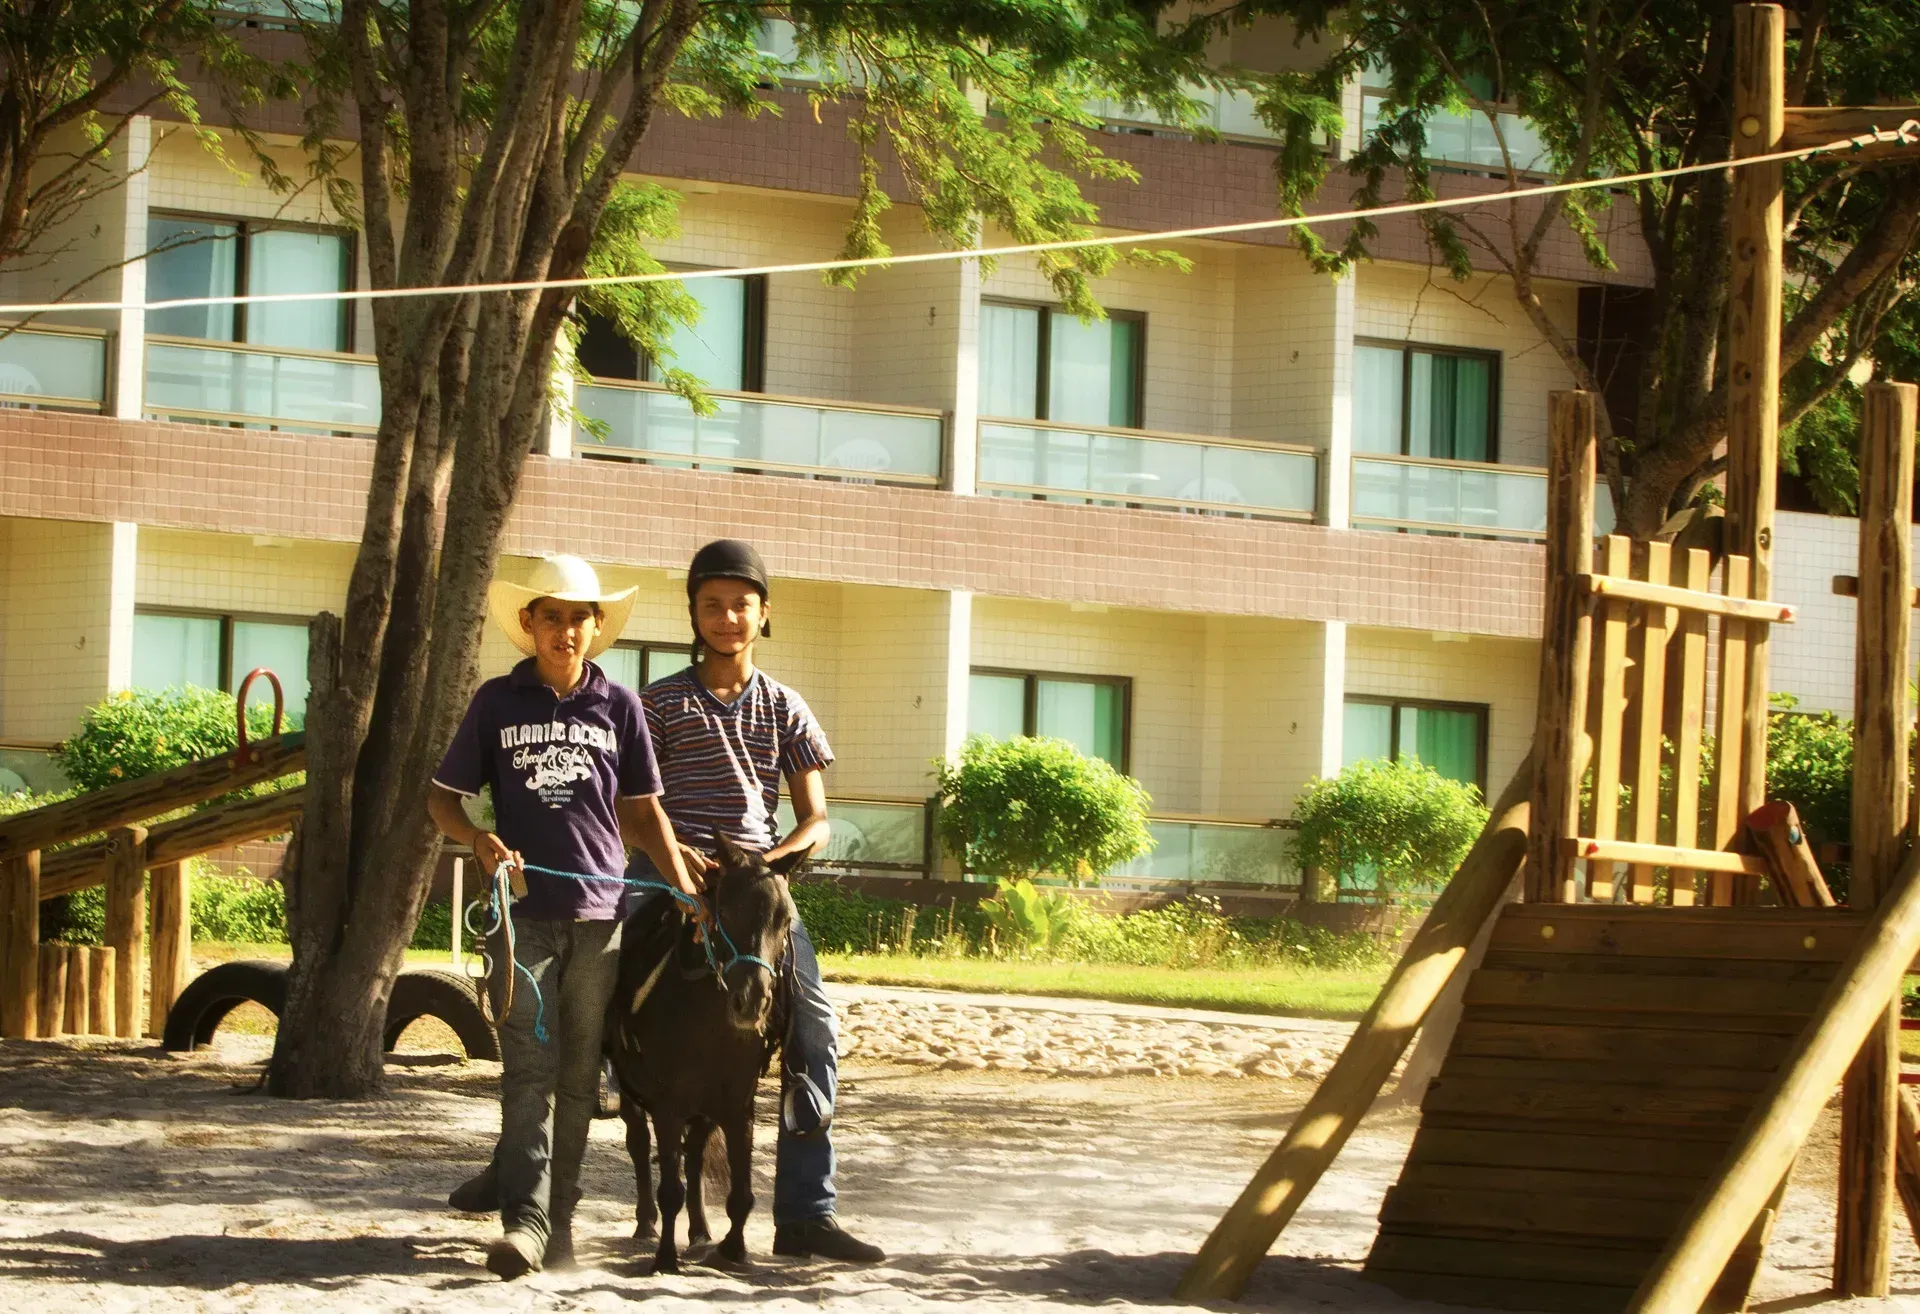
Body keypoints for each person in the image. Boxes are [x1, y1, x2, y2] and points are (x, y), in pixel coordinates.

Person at [448, 540, 884, 1264]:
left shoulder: (786, 707)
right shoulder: (656, 702)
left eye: (741, 604)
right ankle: (522, 1165)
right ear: (693, 614)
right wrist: (681, 861)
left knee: (814, 1031)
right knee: (594, 1010)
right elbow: (627, 802)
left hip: (761, 884)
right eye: (711, 604)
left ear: (763, 614)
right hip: (669, 873)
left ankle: (808, 1210)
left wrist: (765, 865)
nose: (726, 617)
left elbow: (816, 818)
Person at [429, 553, 700, 1280]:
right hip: (521, 918)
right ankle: (527, 1223)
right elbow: (440, 799)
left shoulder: (621, 708)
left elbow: (644, 813)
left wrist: (684, 890)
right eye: (552, 616)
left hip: (601, 917)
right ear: (529, 624)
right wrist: (477, 839)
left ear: (596, 628)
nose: (566, 630)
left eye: (580, 618)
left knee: (581, 1077)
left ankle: (560, 1220)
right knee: (528, 1071)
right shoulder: (495, 702)